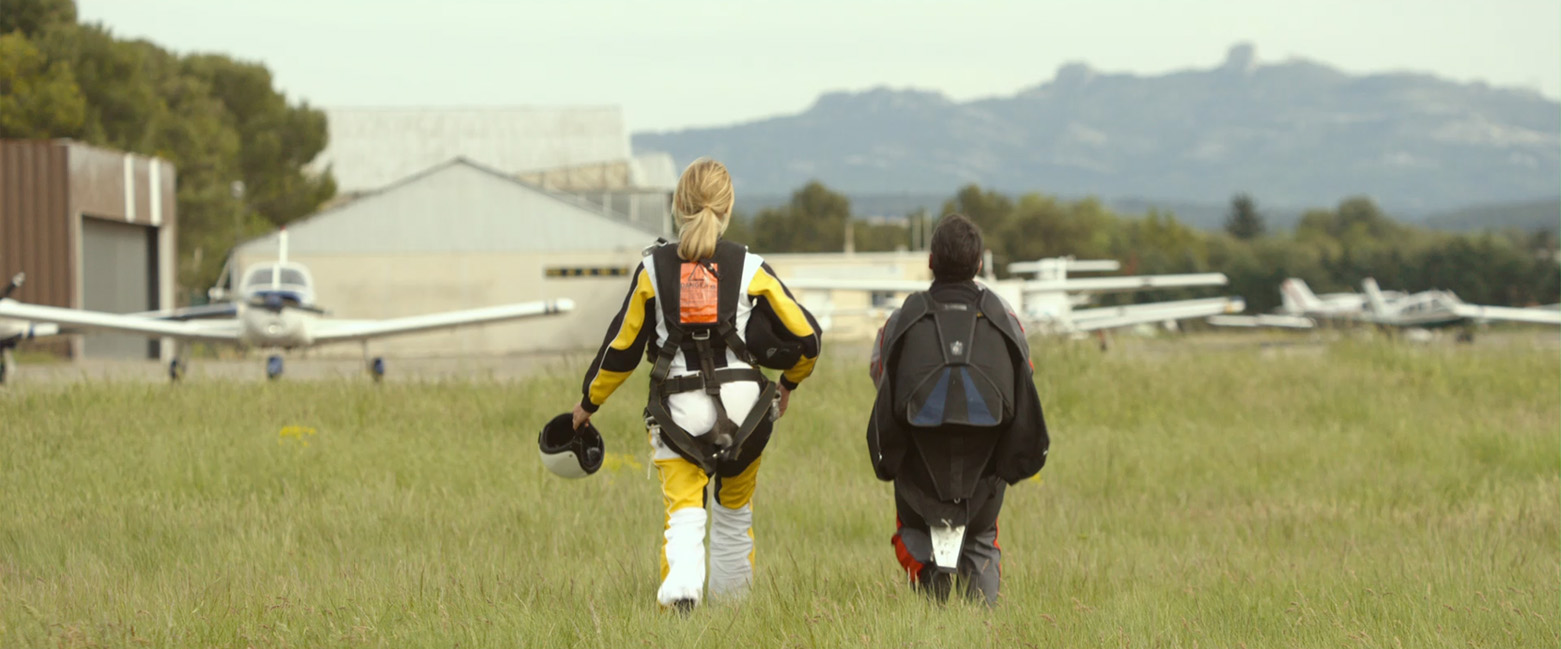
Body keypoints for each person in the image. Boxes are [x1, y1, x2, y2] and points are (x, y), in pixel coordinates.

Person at [570, 158, 821, 611]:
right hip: (747, 409)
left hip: (677, 409)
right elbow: (807, 337)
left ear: (676, 207)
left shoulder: (652, 269)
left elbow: (621, 350)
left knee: (685, 513)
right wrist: (789, 384)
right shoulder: (751, 267)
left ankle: (682, 593)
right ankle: (733, 612)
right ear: (726, 212)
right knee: (734, 512)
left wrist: (589, 403)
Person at [865, 213, 1049, 606]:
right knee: (983, 538)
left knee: (908, 532)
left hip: (916, 480)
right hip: (985, 481)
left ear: (931, 262)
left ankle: (928, 574)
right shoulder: (1005, 319)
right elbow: (1025, 376)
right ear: (979, 264)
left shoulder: (902, 320)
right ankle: (982, 618)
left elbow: (879, 375)